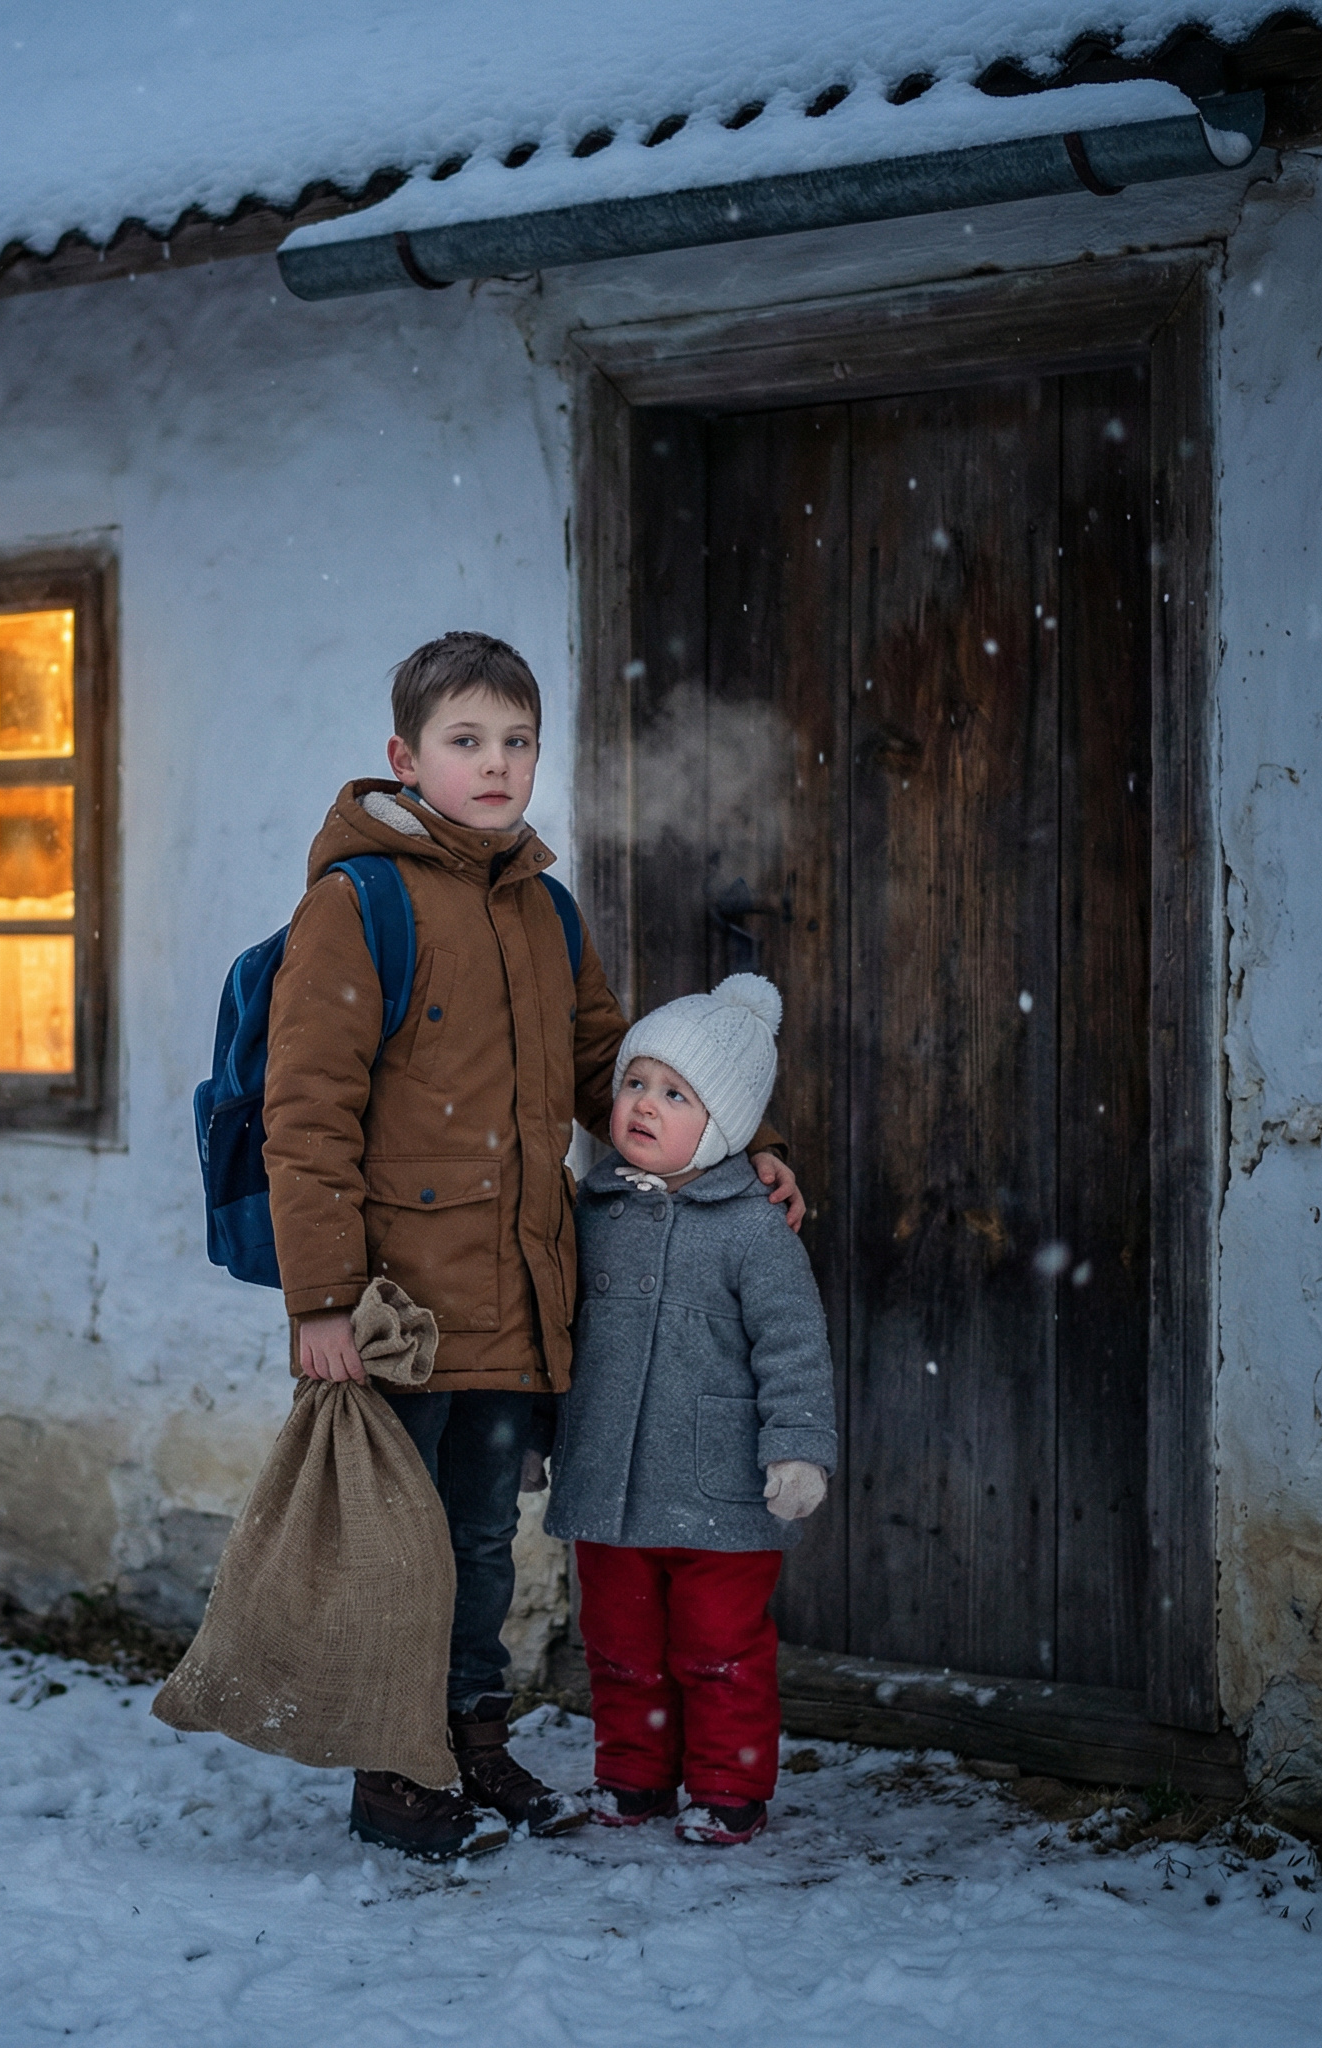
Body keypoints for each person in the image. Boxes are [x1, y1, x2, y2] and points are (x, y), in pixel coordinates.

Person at [261, 631, 803, 1860]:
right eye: (466, 741)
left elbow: (605, 1068)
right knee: (397, 1554)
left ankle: (469, 1740)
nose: (496, 763)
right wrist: (325, 1295)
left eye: (516, 741)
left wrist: (736, 1141)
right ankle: (394, 1777)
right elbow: (304, 1112)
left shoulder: (544, 909)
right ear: (404, 757)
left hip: (513, 1296)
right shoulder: (357, 905)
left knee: (477, 1545)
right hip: (394, 1304)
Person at [546, 972, 837, 1847]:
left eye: (675, 1093)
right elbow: (554, 1339)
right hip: (612, 1489)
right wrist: (536, 1441)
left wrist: (798, 1451)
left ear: (723, 1123)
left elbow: (793, 1346)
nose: (643, 1104)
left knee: (719, 1651)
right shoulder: (590, 1210)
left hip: (721, 1499)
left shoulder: (752, 1225)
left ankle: (728, 1787)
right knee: (621, 1646)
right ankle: (633, 1778)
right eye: (635, 1081)